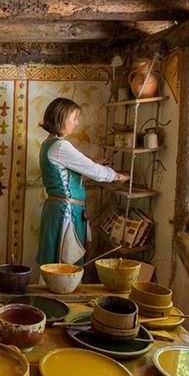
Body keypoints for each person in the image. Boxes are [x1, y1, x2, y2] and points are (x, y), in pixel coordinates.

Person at [36, 98, 129, 266]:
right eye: (74, 118)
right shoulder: (60, 146)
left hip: (59, 209)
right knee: (63, 266)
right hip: (65, 213)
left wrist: (94, 164)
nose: (77, 123)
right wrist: (117, 176)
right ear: (61, 118)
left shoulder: (48, 144)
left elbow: (66, 173)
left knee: (56, 264)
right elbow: (95, 172)